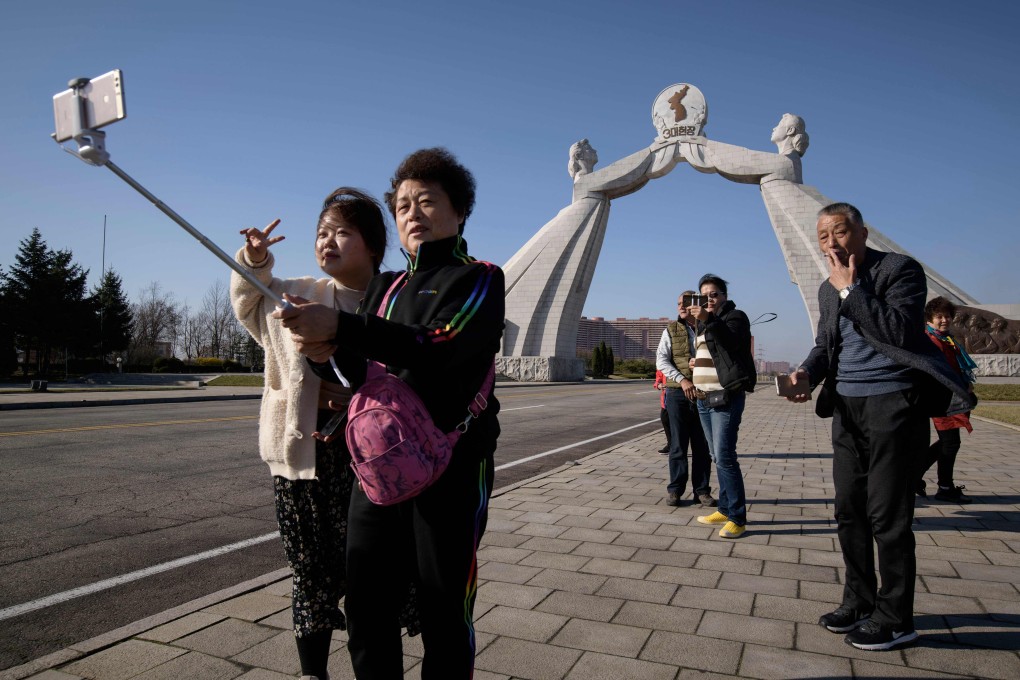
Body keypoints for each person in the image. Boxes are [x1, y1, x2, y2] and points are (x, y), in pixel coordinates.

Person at [275, 148, 505, 679]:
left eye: (427, 201)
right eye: (403, 206)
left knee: (443, 609)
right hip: (378, 471)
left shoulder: (479, 278)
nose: (413, 214)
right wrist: (325, 355)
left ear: (460, 211)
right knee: (367, 606)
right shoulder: (385, 286)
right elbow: (360, 377)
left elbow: (439, 343)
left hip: (452, 466)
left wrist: (341, 327)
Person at [787, 203, 975, 651]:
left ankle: (896, 618)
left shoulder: (899, 271)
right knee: (848, 510)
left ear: (863, 232)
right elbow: (825, 345)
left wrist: (853, 291)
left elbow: (899, 332)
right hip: (847, 408)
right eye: (823, 237)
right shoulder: (827, 288)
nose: (831, 243)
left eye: (840, 232)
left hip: (894, 403)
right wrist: (805, 376)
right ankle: (858, 600)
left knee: (887, 517)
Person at [230, 188, 397, 680]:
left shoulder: (395, 299)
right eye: (322, 232)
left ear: (372, 244)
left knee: (377, 578)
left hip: (376, 461)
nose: (328, 241)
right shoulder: (295, 292)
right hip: (305, 460)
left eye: (342, 231)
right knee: (311, 575)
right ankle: (313, 674)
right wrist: (256, 259)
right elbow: (247, 298)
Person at [688, 275, 756, 537]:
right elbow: (714, 354)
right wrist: (697, 362)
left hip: (725, 396)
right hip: (704, 398)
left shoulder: (735, 317)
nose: (710, 300)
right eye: (705, 296)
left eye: (714, 294)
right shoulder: (703, 325)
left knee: (726, 457)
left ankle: (738, 517)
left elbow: (730, 342)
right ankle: (725, 509)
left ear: (724, 296)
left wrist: (708, 319)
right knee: (716, 456)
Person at [915, 296, 977, 503]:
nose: (944, 320)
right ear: (929, 319)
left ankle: (916, 478)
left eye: (948, 316)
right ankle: (943, 487)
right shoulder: (931, 340)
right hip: (943, 400)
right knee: (950, 443)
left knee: (948, 443)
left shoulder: (947, 339)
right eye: (939, 316)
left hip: (952, 398)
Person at [655, 290, 713, 505]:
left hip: (704, 392)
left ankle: (702, 491)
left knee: (702, 446)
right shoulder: (670, 330)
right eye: (679, 303)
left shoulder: (709, 326)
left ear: (697, 304)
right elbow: (661, 360)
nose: (681, 306)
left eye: (686, 303)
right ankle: (676, 490)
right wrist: (682, 379)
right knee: (678, 446)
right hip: (677, 393)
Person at [653, 369, 671, 454]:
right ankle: (670, 444)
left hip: (679, 395)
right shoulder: (663, 365)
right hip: (665, 399)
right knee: (665, 420)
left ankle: (677, 446)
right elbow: (658, 378)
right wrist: (659, 385)